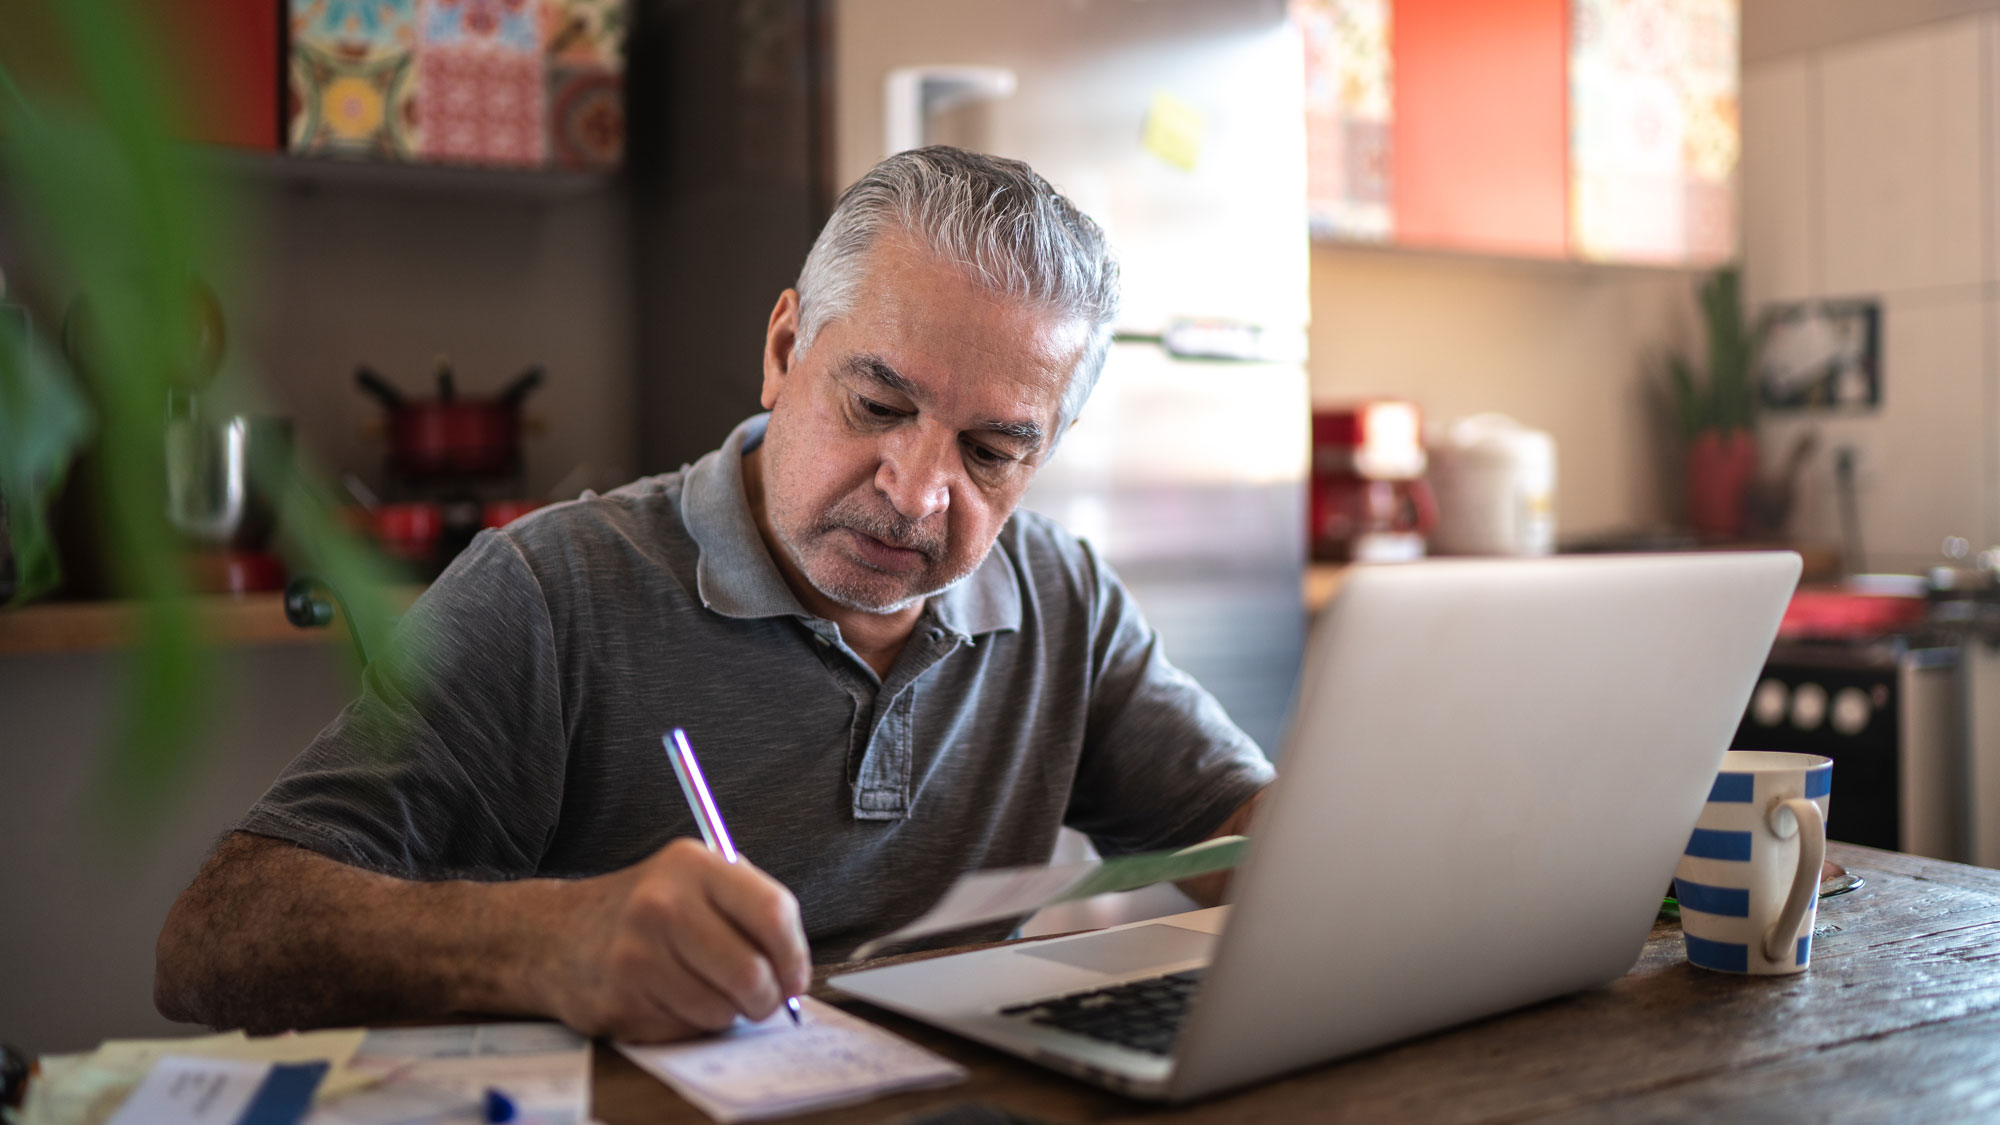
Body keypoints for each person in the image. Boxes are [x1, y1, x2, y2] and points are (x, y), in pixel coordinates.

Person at [154, 146, 1273, 1043]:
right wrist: (544, 941)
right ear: (786, 347)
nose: (918, 495)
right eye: (879, 406)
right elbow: (212, 941)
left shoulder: (1062, 598)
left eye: (990, 450)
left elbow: (1252, 845)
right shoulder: (553, 592)